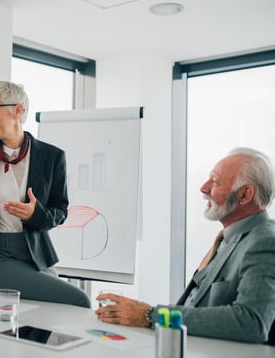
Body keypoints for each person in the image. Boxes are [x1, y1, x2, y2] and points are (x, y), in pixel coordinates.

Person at [95, 147, 275, 344]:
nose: (203, 188)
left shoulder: (265, 242)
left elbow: (252, 322)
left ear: (244, 195)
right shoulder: (229, 236)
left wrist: (150, 315)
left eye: (215, 182)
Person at [0, 81, 90, 307]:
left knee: (63, 309)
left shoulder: (52, 156)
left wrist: (35, 213)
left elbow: (60, 211)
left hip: (36, 255)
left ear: (18, 110)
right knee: (79, 299)